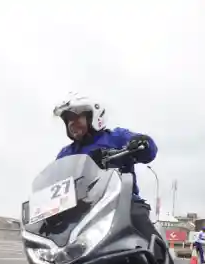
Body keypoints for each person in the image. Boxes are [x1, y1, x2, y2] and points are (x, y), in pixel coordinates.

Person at [52, 93, 162, 252]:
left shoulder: (116, 137)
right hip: (82, 210)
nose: (72, 123)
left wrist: (142, 141)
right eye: (68, 120)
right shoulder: (66, 153)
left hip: (122, 202)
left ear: (93, 116)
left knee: (142, 225)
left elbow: (149, 150)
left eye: (76, 118)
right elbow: (55, 182)